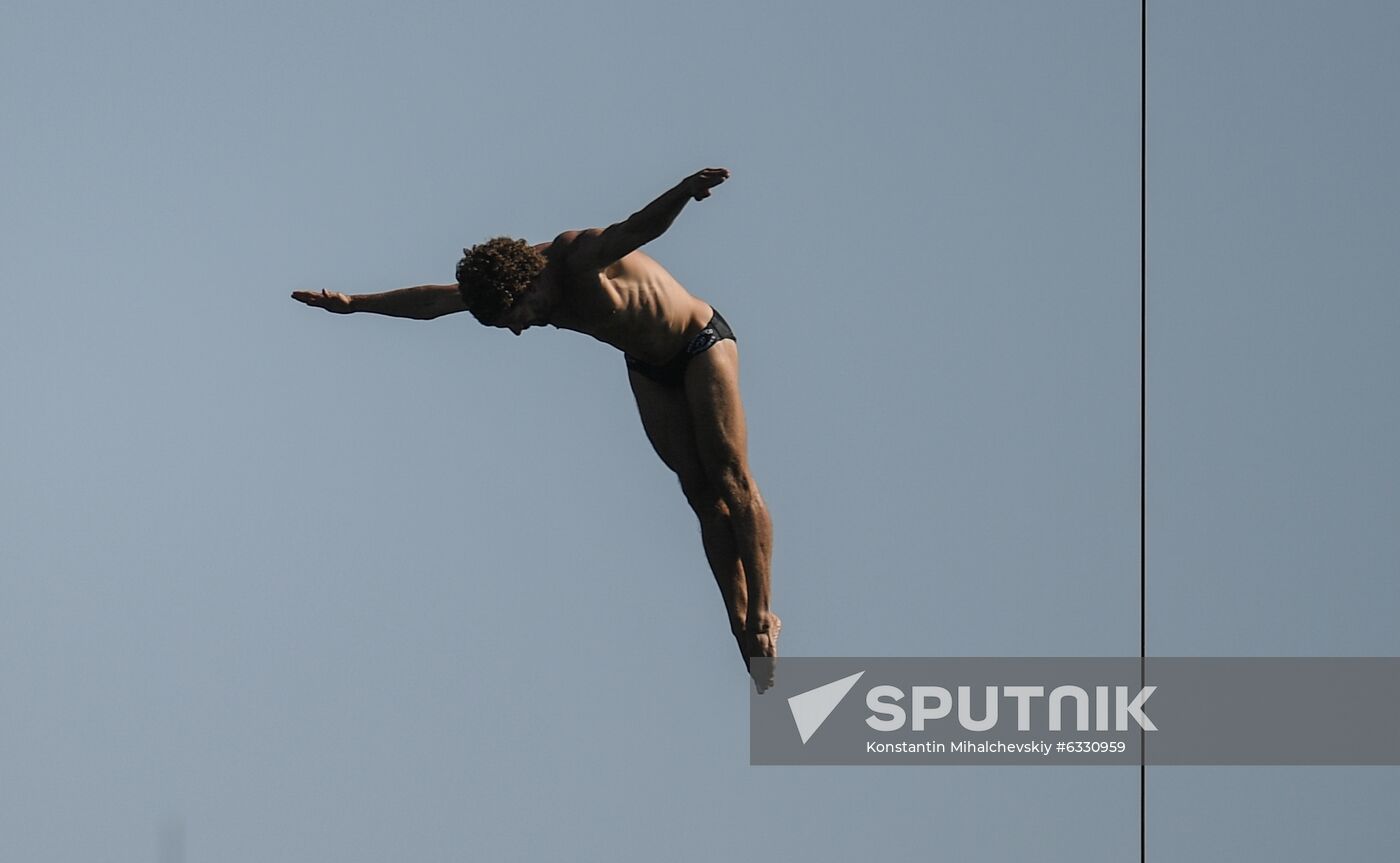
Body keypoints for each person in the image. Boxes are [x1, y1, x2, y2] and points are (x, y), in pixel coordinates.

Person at [292, 168, 780, 690]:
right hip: (648, 366)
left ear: (527, 284)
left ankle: (763, 614)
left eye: (517, 316)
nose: (521, 329)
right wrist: (354, 304)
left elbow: (639, 227)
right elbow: (432, 303)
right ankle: (739, 623)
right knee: (700, 494)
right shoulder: (495, 288)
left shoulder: (579, 256)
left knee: (731, 478)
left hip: (699, 342)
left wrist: (684, 191)